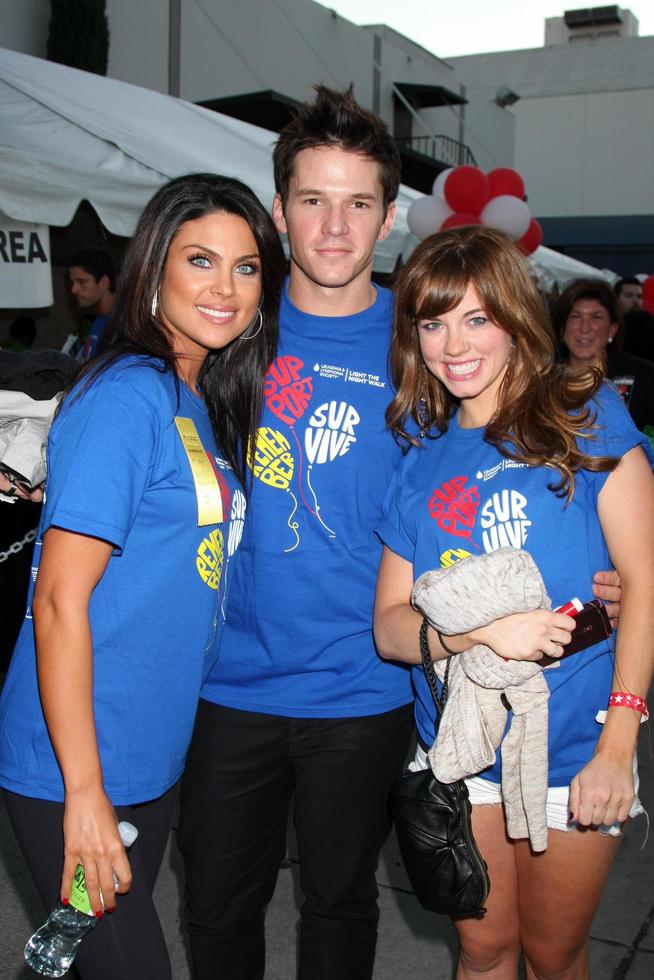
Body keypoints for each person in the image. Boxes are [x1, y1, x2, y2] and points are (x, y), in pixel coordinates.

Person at [178, 87, 622, 980]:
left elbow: (502, 456)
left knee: (342, 908)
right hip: (228, 681)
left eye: (357, 203)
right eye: (312, 199)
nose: (334, 226)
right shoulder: (228, 329)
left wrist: (594, 570)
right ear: (278, 211)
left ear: (386, 219)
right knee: (218, 908)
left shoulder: (424, 341)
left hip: (367, 690)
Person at [0, 173, 285, 980]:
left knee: (73, 959)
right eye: (200, 260)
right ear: (155, 267)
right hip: (78, 762)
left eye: (246, 266)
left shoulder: (196, 393)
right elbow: (58, 599)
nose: (224, 288)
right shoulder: (130, 393)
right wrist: (83, 794)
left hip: (150, 754)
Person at [374, 225, 653, 980]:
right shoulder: (420, 461)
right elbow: (393, 628)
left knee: (554, 956)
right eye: (432, 322)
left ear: (515, 317)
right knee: (484, 950)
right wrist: (478, 634)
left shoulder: (585, 411)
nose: (451, 343)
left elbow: (646, 581)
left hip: (577, 751)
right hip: (460, 758)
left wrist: (619, 750)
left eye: (475, 318)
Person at [554, 278, 654, 437]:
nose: (584, 327)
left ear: (612, 330)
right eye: (575, 316)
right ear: (562, 328)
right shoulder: (543, 379)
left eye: (596, 317)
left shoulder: (643, 374)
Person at [68, 248, 117, 360]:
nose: (74, 289)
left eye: (81, 282)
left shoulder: (123, 327)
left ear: (103, 282)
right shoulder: (99, 321)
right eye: (73, 282)